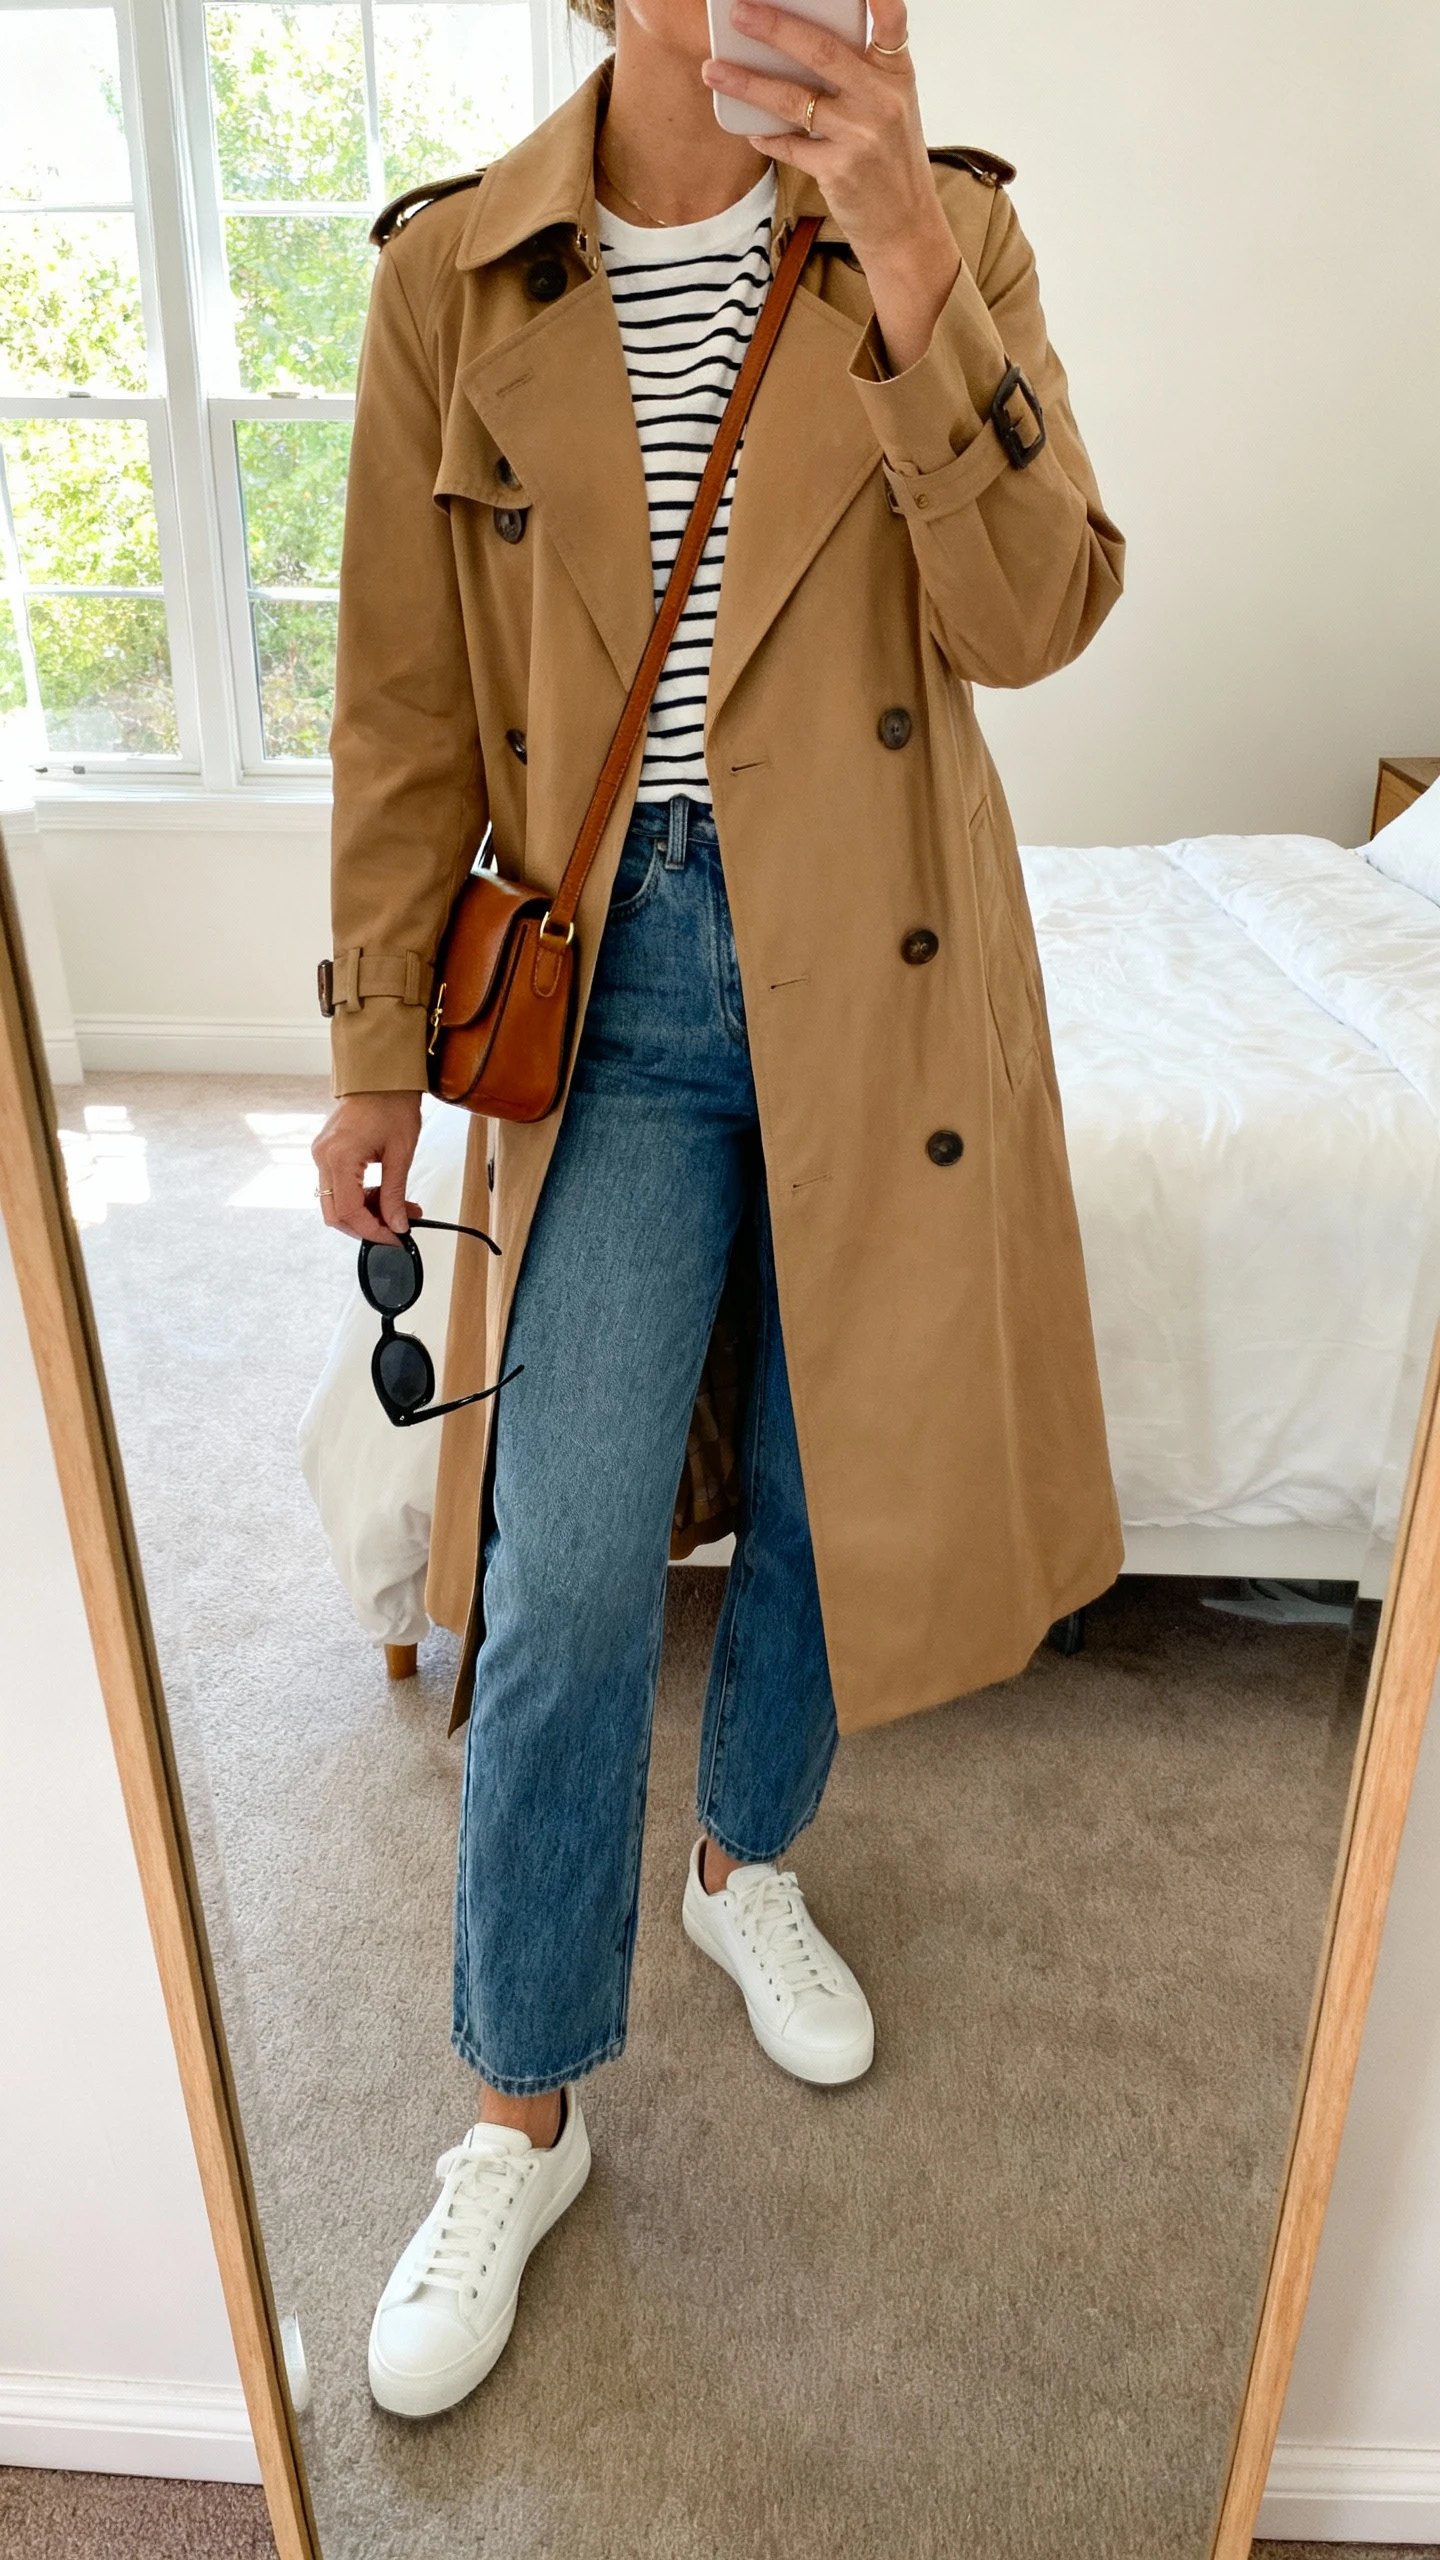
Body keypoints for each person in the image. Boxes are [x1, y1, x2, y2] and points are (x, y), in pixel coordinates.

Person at [312, 0, 1125, 2420]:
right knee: (561, 1564)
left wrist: (903, 257)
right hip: (615, 976)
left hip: (881, 961)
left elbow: (1036, 618)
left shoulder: (944, 228)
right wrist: (370, 1045)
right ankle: (518, 2108)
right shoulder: (456, 274)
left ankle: (745, 1853)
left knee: (833, 1488)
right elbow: (400, 706)